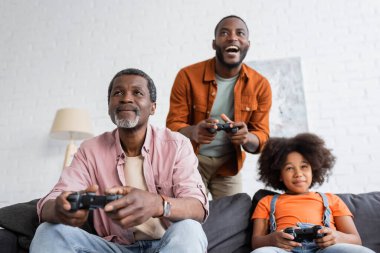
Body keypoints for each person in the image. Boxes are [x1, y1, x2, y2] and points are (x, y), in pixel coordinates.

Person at [30, 68, 209, 253]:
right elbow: (52, 200)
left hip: (166, 245)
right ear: (109, 106)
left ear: (153, 107)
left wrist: (158, 204)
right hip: (113, 247)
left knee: (190, 229)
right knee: (48, 231)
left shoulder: (177, 145)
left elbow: (197, 207)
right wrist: (59, 209)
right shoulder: (90, 150)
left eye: (137, 93)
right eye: (118, 93)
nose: (126, 98)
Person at [166, 15, 272, 199]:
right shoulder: (187, 76)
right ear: (214, 44)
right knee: (190, 213)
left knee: (232, 219)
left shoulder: (260, 85)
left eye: (240, 33)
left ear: (247, 44)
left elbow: (262, 137)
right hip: (191, 160)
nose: (232, 37)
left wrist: (245, 137)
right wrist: (194, 132)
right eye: (224, 33)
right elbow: (172, 126)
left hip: (228, 165)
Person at [250, 133, 375, 253]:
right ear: (279, 175)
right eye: (289, 168)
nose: (298, 173)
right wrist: (272, 239)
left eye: (304, 166)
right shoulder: (266, 202)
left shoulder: (332, 200)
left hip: (326, 249)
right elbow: (256, 242)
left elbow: (356, 240)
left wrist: (336, 237)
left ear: (313, 170)